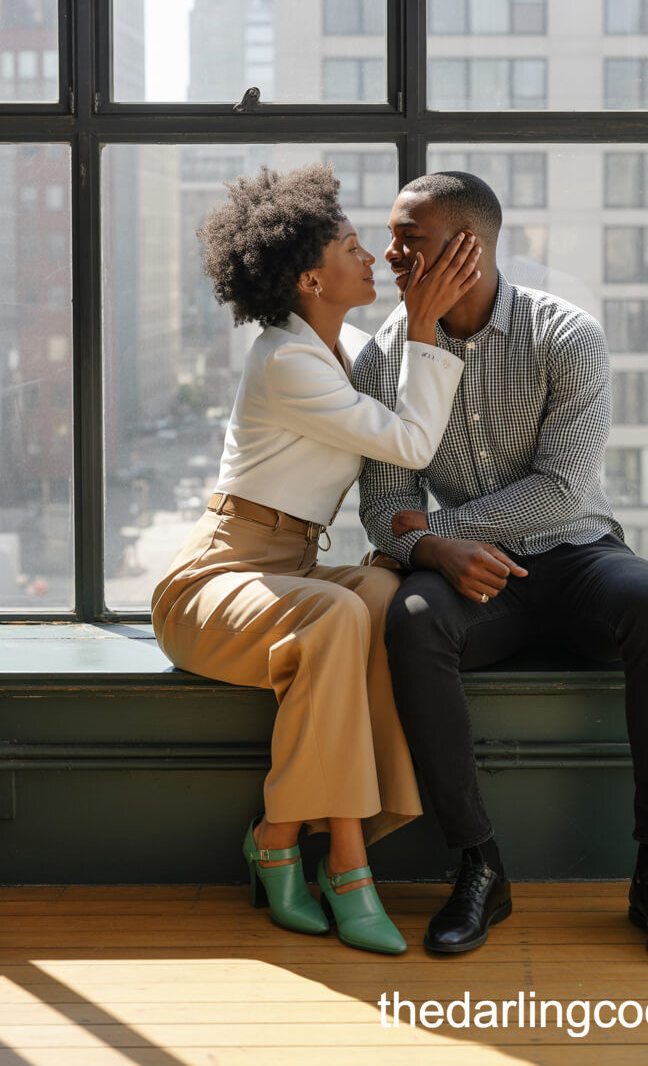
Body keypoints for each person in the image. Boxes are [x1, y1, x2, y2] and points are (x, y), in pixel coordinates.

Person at [353, 170, 648, 965]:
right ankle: (478, 865)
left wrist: (436, 529)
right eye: (391, 236)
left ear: (468, 248)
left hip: (576, 553)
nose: (390, 254)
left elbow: (561, 488)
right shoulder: (381, 359)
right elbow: (382, 507)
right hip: (471, 583)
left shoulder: (566, 334)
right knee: (410, 622)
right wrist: (434, 551)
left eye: (409, 239)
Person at [151, 162, 481, 956]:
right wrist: (426, 326)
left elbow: (408, 418)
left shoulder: (348, 348)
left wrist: (427, 302)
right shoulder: (285, 360)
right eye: (350, 246)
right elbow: (408, 438)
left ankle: (281, 838)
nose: (370, 257)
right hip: (216, 576)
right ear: (309, 278)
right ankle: (345, 861)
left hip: (287, 568)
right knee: (339, 609)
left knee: (379, 590)